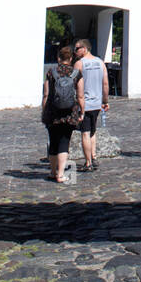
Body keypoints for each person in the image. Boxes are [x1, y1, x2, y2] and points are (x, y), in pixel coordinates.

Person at [41, 44, 84, 182]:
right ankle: (61, 174)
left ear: (58, 58)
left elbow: (46, 94)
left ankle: (52, 172)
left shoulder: (51, 72)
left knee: (53, 142)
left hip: (53, 113)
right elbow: (80, 96)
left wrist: (44, 111)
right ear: (71, 58)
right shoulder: (76, 74)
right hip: (69, 113)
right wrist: (81, 111)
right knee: (64, 143)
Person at [74, 38, 109, 172]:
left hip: (85, 103)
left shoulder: (80, 64)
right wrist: (105, 101)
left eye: (77, 48)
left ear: (84, 48)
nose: (75, 51)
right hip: (96, 103)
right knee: (93, 131)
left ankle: (88, 162)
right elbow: (105, 84)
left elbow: (75, 85)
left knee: (85, 133)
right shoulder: (100, 63)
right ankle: (93, 156)